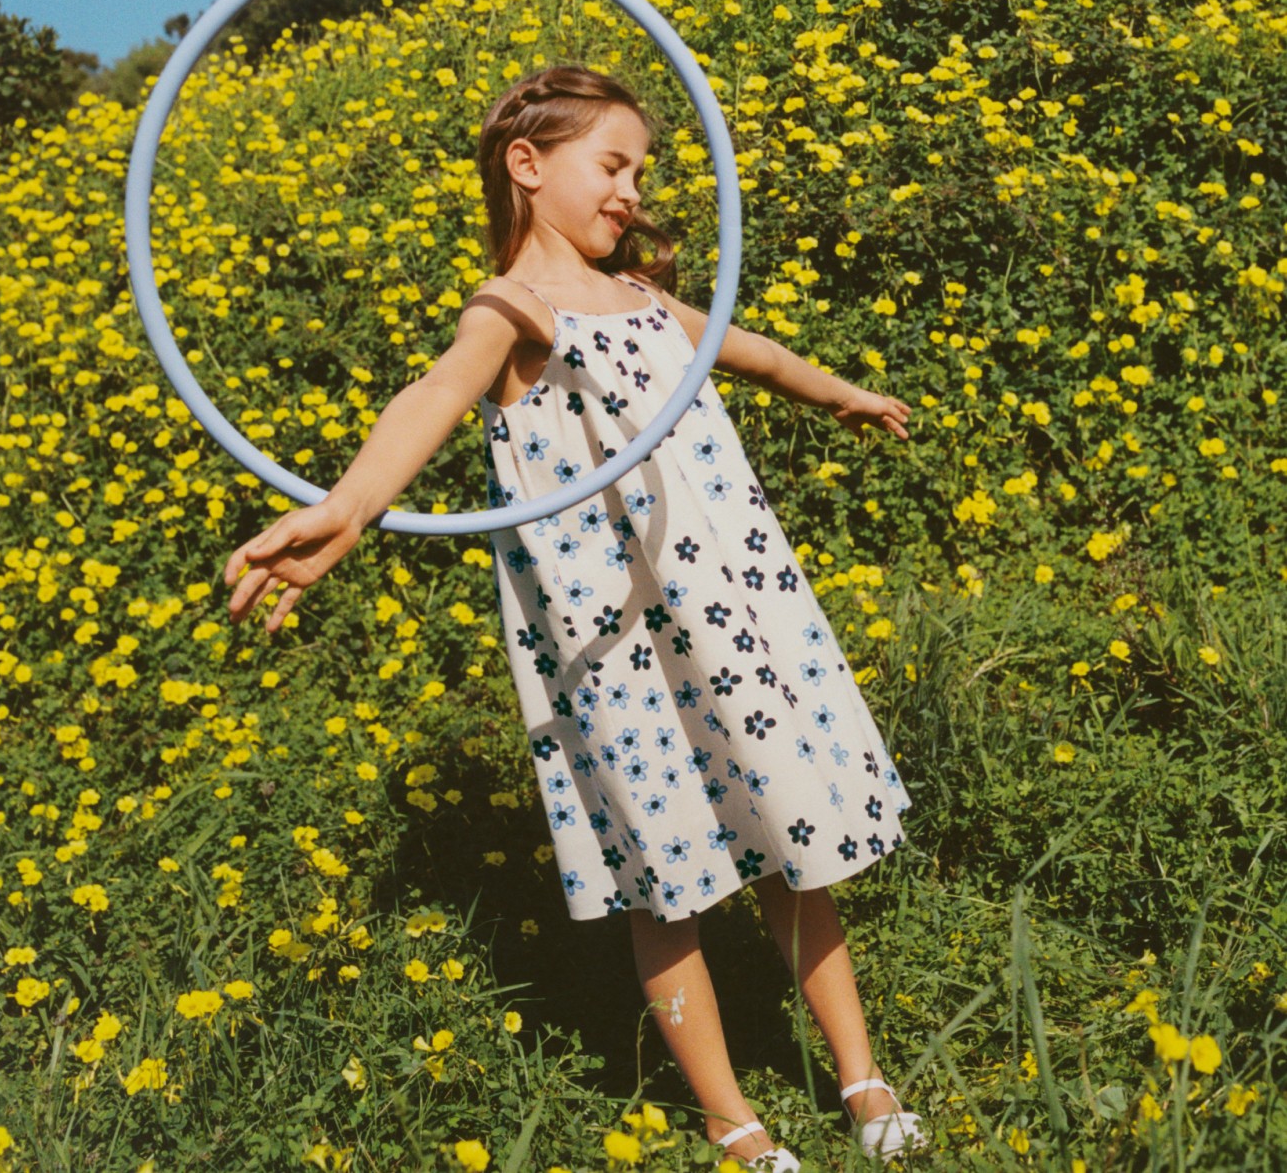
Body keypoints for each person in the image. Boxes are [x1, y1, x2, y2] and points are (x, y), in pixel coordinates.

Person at [223, 65, 928, 1167]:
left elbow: (753, 352)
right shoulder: (512, 311)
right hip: (617, 643)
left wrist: (836, 390)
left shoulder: (646, 301)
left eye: (639, 171)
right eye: (611, 165)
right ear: (526, 165)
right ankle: (728, 1116)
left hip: (729, 610)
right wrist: (354, 505)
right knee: (669, 872)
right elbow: (434, 395)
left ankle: (861, 1073)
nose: (631, 193)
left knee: (796, 839)